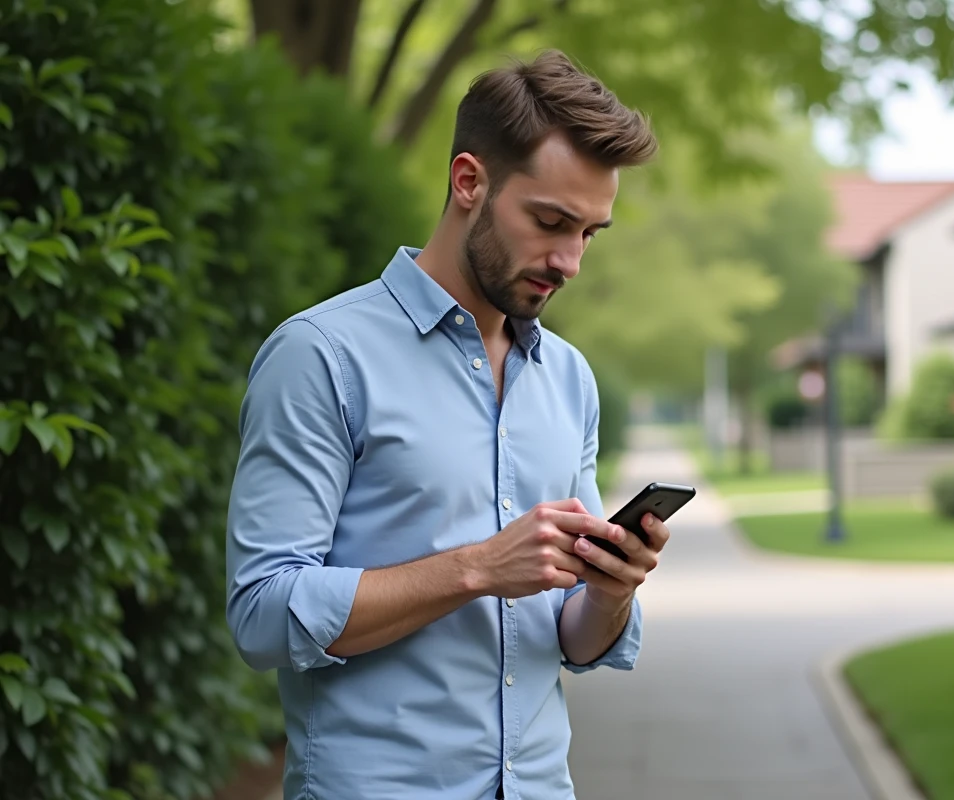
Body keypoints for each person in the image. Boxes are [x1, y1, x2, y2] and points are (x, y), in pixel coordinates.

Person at [224, 49, 666, 800]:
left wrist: (611, 589)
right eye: (551, 221)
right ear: (469, 181)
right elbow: (263, 615)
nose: (569, 262)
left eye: (590, 233)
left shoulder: (568, 379)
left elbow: (570, 637)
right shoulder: (321, 357)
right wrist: (478, 568)